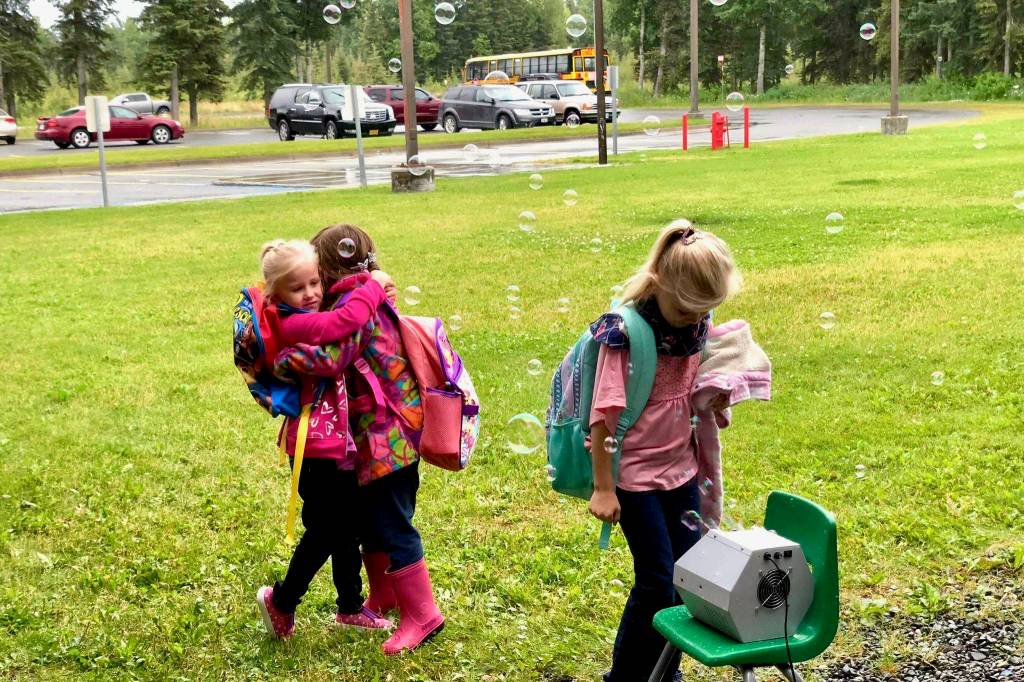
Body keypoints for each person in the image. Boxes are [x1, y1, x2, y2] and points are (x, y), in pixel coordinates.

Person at [278, 224, 446, 656]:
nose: (313, 288)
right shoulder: (361, 294)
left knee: (392, 524)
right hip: (380, 436)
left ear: (329, 270)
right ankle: (385, 596)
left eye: (316, 276)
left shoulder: (358, 302)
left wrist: (286, 356)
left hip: (390, 437)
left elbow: (335, 358)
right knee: (372, 519)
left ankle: (423, 615)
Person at [587, 224, 741, 682]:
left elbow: (696, 385)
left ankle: (662, 673)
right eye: (685, 308)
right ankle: (625, 677)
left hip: (681, 472)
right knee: (656, 581)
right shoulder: (626, 333)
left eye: (705, 310)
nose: (695, 320)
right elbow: (603, 418)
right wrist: (602, 487)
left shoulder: (694, 324)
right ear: (659, 282)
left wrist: (716, 396)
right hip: (633, 479)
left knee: (686, 580)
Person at [253, 238, 395, 639]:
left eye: (315, 282)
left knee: (345, 525)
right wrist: (372, 285)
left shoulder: (307, 308)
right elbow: (339, 328)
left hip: (337, 441)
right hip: (315, 445)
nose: (312, 293)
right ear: (275, 295)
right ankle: (281, 600)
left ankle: (350, 606)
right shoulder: (290, 322)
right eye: (298, 288)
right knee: (328, 529)